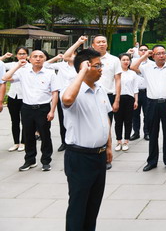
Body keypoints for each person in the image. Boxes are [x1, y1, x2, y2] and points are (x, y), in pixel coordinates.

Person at [61, 48, 113, 231]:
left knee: (93, 206)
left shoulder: (100, 89)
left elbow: (105, 118)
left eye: (102, 65)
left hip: (99, 157)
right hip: (80, 157)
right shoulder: (72, 89)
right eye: (97, 65)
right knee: (78, 206)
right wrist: (82, 71)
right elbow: (67, 99)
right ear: (85, 66)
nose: (101, 69)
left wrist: (108, 146)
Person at [2, 50, 59, 171]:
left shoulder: (50, 73)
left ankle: (46, 160)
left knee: (45, 135)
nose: (38, 59)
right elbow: (5, 78)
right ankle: (30, 160)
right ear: (30, 59)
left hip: (43, 108)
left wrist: (52, 110)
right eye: (35, 57)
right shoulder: (23, 72)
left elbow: (55, 93)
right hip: (27, 108)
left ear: (45, 59)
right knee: (28, 136)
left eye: (41, 57)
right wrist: (18, 65)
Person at [131, 45, 166, 172]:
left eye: (163, 53)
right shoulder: (147, 68)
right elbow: (132, 67)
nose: (162, 55)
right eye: (158, 53)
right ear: (153, 55)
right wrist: (144, 55)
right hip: (152, 104)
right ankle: (152, 161)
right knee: (153, 133)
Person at [45, 36, 88, 152]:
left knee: (78, 117)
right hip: (62, 94)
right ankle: (64, 141)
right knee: (63, 119)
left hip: (77, 94)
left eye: (74, 54)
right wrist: (55, 58)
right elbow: (45, 65)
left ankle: (79, 139)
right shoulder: (61, 65)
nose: (70, 56)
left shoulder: (79, 66)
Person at [89, 35, 121, 170]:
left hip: (108, 96)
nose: (102, 44)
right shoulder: (87, 60)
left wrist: (117, 99)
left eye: (104, 42)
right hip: (90, 96)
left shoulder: (114, 60)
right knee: (91, 126)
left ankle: (107, 154)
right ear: (93, 45)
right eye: (99, 42)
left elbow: (118, 80)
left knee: (106, 127)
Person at [1, 47, 28, 152]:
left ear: (27, 55)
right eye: (20, 53)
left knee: (25, 121)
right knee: (14, 120)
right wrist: (4, 56)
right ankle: (16, 142)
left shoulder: (30, 66)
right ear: (16, 55)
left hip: (25, 97)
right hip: (13, 96)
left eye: (24, 53)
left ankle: (24, 142)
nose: (22, 55)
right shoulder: (12, 64)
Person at [114, 53, 138, 152]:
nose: (126, 62)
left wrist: (136, 100)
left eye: (127, 60)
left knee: (128, 121)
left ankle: (126, 141)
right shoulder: (116, 73)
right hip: (118, 98)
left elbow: (135, 88)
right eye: (123, 60)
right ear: (119, 61)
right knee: (118, 121)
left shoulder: (133, 73)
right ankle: (119, 141)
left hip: (129, 98)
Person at [130, 44, 150, 141]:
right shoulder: (134, 62)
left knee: (147, 113)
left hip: (147, 92)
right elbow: (132, 67)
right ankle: (136, 132)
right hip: (136, 92)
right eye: (141, 50)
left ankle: (147, 132)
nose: (143, 51)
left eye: (145, 50)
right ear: (138, 52)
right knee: (135, 114)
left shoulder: (151, 64)